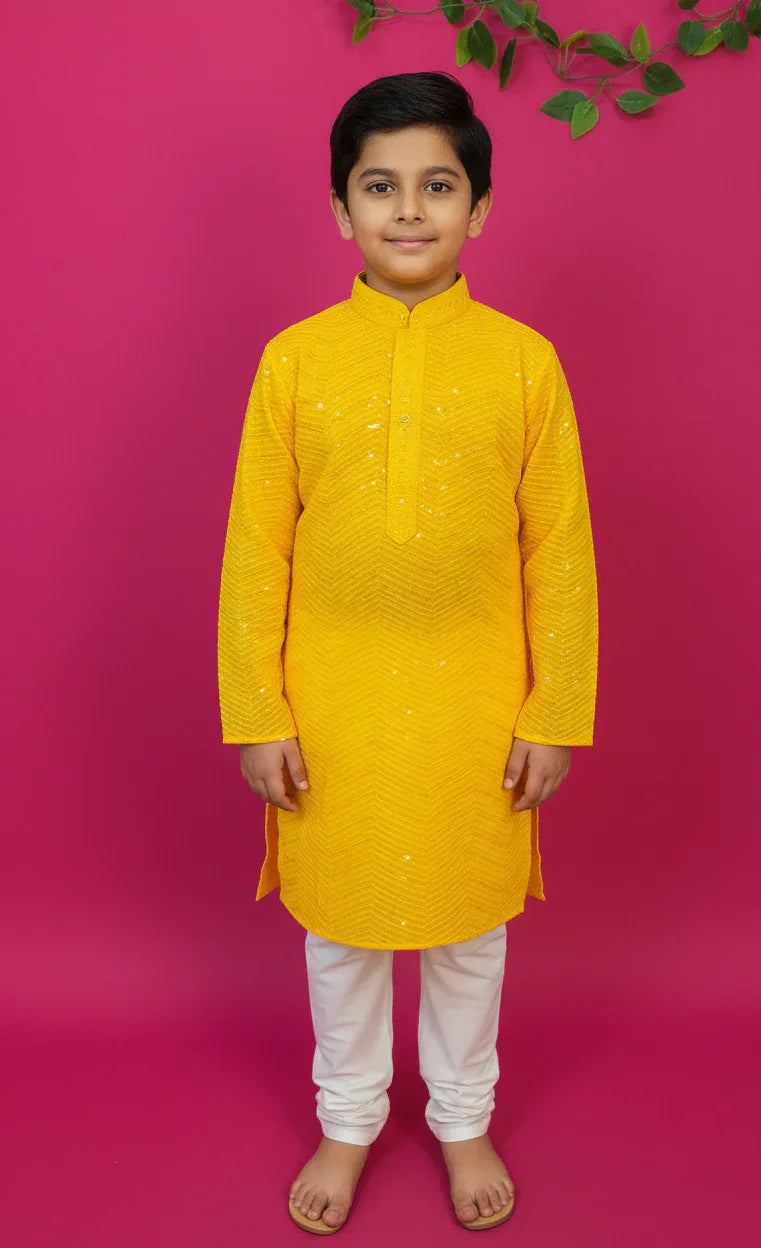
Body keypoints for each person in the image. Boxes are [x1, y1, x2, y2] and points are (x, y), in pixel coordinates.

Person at [217, 70, 598, 1234]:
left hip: (477, 705)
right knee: (340, 935)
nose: (410, 210)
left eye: (438, 185)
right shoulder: (293, 362)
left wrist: (551, 714)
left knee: (467, 933)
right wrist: (258, 712)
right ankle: (347, 1119)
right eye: (379, 186)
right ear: (340, 210)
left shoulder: (525, 363)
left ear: (479, 208)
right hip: (331, 704)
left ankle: (461, 1116)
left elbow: (563, 554)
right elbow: (253, 553)